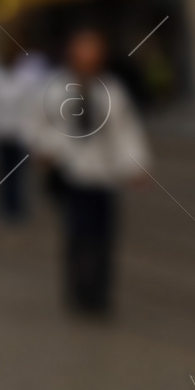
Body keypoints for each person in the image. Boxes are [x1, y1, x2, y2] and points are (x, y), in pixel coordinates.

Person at [27, 30, 149, 317]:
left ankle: (100, 294)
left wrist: (136, 165)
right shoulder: (55, 89)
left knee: (104, 237)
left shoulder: (111, 90)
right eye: (83, 52)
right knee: (78, 236)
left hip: (103, 175)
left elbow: (125, 131)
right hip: (72, 173)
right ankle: (79, 291)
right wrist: (45, 151)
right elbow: (39, 124)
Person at [0, 44, 41, 223]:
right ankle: (3, 206)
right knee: (1, 172)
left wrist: (33, 134)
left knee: (18, 173)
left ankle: (16, 207)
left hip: (19, 134)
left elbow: (31, 108)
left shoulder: (26, 80)